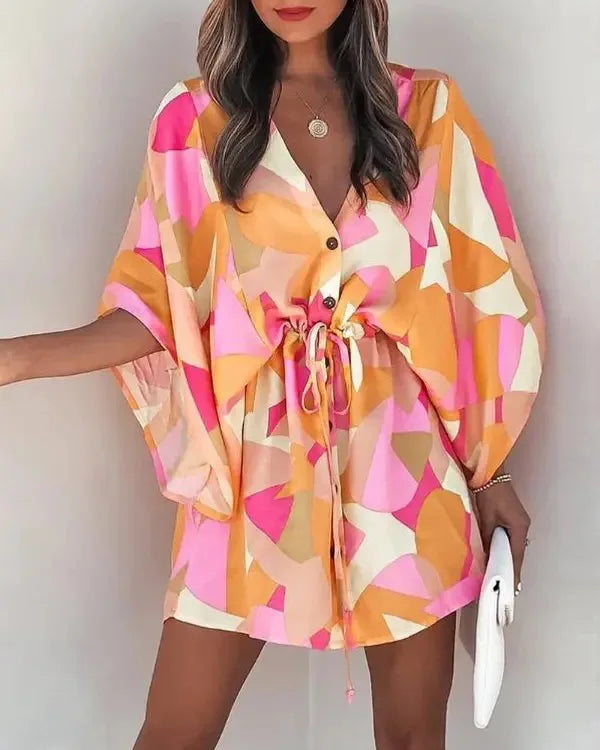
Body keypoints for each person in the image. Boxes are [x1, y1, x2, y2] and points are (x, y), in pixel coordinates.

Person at [0, 1, 546, 748]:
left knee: (414, 738)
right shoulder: (193, 120)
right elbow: (158, 308)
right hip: (254, 474)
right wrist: (16, 359)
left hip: (406, 472)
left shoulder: (429, 111)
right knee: (174, 734)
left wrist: (490, 472)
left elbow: (484, 305)